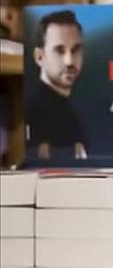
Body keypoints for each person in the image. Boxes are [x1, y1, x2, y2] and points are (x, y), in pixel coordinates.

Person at [26, 10, 88, 160]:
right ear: (39, 57)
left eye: (75, 50)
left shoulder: (73, 112)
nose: (69, 61)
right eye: (59, 50)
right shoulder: (31, 112)